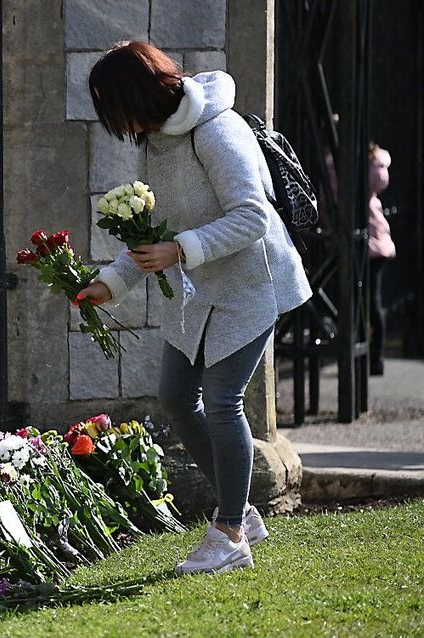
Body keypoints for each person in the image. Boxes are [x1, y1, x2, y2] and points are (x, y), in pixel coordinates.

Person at [77, 41, 312, 575]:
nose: (113, 121)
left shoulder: (216, 130)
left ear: (136, 94)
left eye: (110, 105)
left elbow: (252, 217)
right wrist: (110, 283)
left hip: (254, 285)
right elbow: (156, 231)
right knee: (177, 397)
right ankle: (244, 514)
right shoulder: (156, 140)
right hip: (203, 291)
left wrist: (181, 250)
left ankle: (229, 532)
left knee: (223, 399)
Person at [367, 143, 395, 375]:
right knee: (373, 303)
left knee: (370, 303)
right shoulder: (375, 173)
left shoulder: (363, 173)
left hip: (371, 247)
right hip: (380, 245)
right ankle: (375, 357)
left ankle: (373, 357)